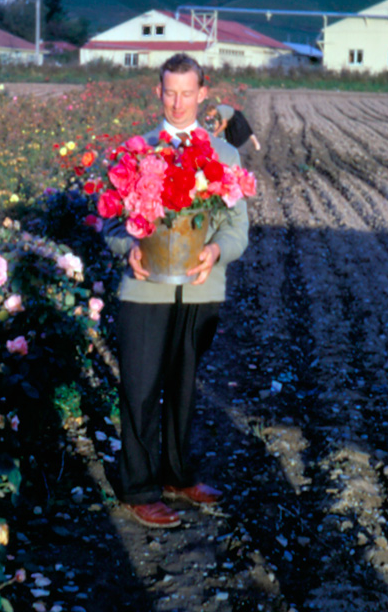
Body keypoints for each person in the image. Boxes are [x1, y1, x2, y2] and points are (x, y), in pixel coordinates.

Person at [104, 53, 250, 528]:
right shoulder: (137, 151)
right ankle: (139, 487)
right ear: (158, 91)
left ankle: (177, 475)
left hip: (201, 290)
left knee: (184, 387)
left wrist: (216, 253)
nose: (179, 102)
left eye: (188, 93)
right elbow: (109, 217)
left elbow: (236, 229)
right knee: (141, 388)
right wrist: (127, 246)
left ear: (203, 93)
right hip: (145, 291)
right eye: (170, 92)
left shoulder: (225, 155)